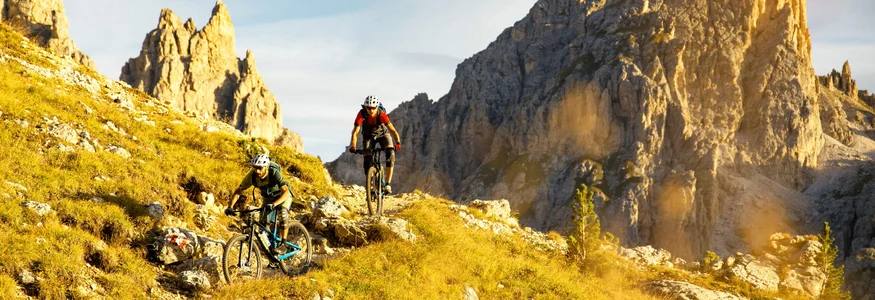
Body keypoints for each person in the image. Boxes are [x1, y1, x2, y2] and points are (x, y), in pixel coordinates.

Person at [225, 153, 293, 253]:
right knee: (263, 227)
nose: (257, 171)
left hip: (283, 195)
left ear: (266, 167)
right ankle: (272, 252)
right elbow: (238, 191)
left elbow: (286, 192)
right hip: (268, 197)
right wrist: (230, 207)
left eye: (260, 168)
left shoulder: (273, 173)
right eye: (255, 168)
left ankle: (283, 244)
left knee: (283, 213)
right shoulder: (251, 176)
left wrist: (274, 204)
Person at [348, 95, 401, 194]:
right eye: (368, 108)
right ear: (365, 107)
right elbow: (355, 132)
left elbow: (392, 130)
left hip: (383, 134)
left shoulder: (381, 114)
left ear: (377, 107)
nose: (371, 110)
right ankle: (370, 185)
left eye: (373, 108)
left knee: (390, 154)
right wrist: (353, 146)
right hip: (368, 136)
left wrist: (397, 142)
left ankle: (388, 184)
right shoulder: (361, 114)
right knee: (367, 158)